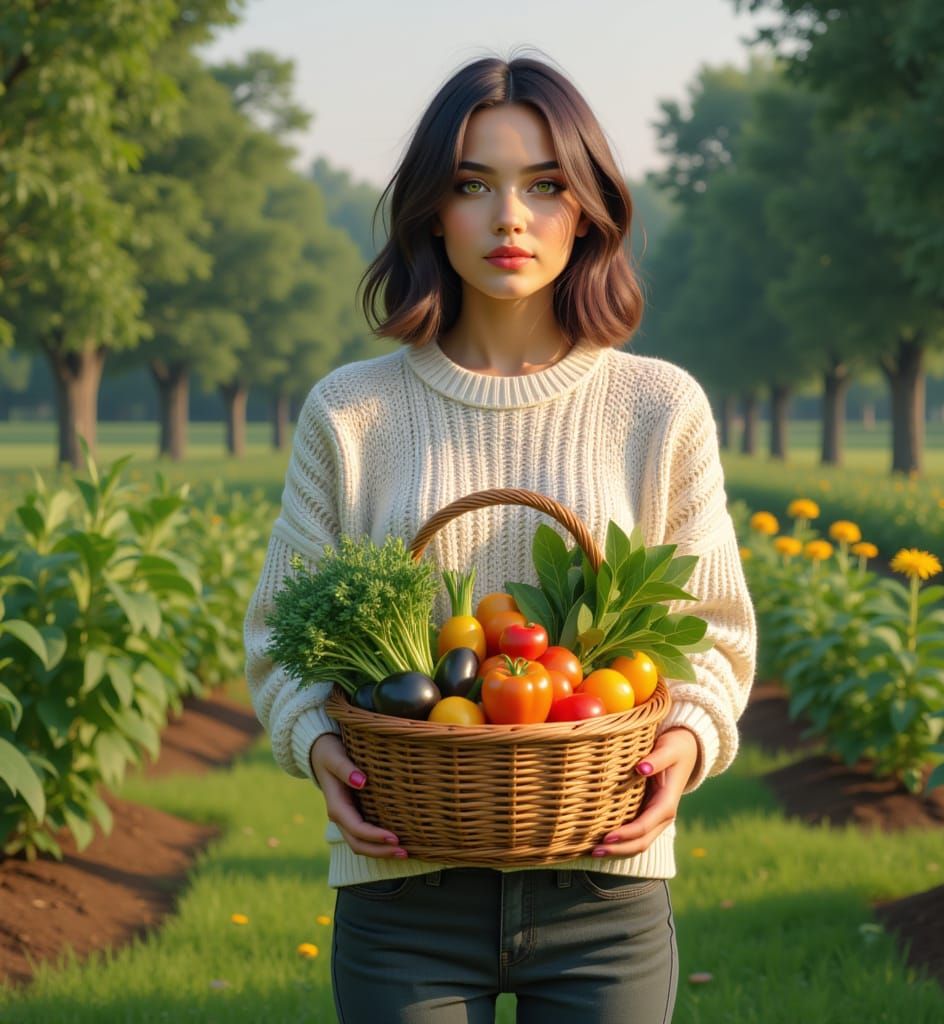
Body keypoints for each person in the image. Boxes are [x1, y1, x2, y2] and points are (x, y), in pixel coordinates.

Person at [243, 50, 757, 1024]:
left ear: (588, 207)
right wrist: (316, 746)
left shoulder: (657, 406)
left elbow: (714, 631)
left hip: (603, 883)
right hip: (403, 888)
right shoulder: (351, 411)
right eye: (473, 185)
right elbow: (281, 634)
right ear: (433, 210)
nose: (508, 217)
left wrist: (687, 742)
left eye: (543, 186)